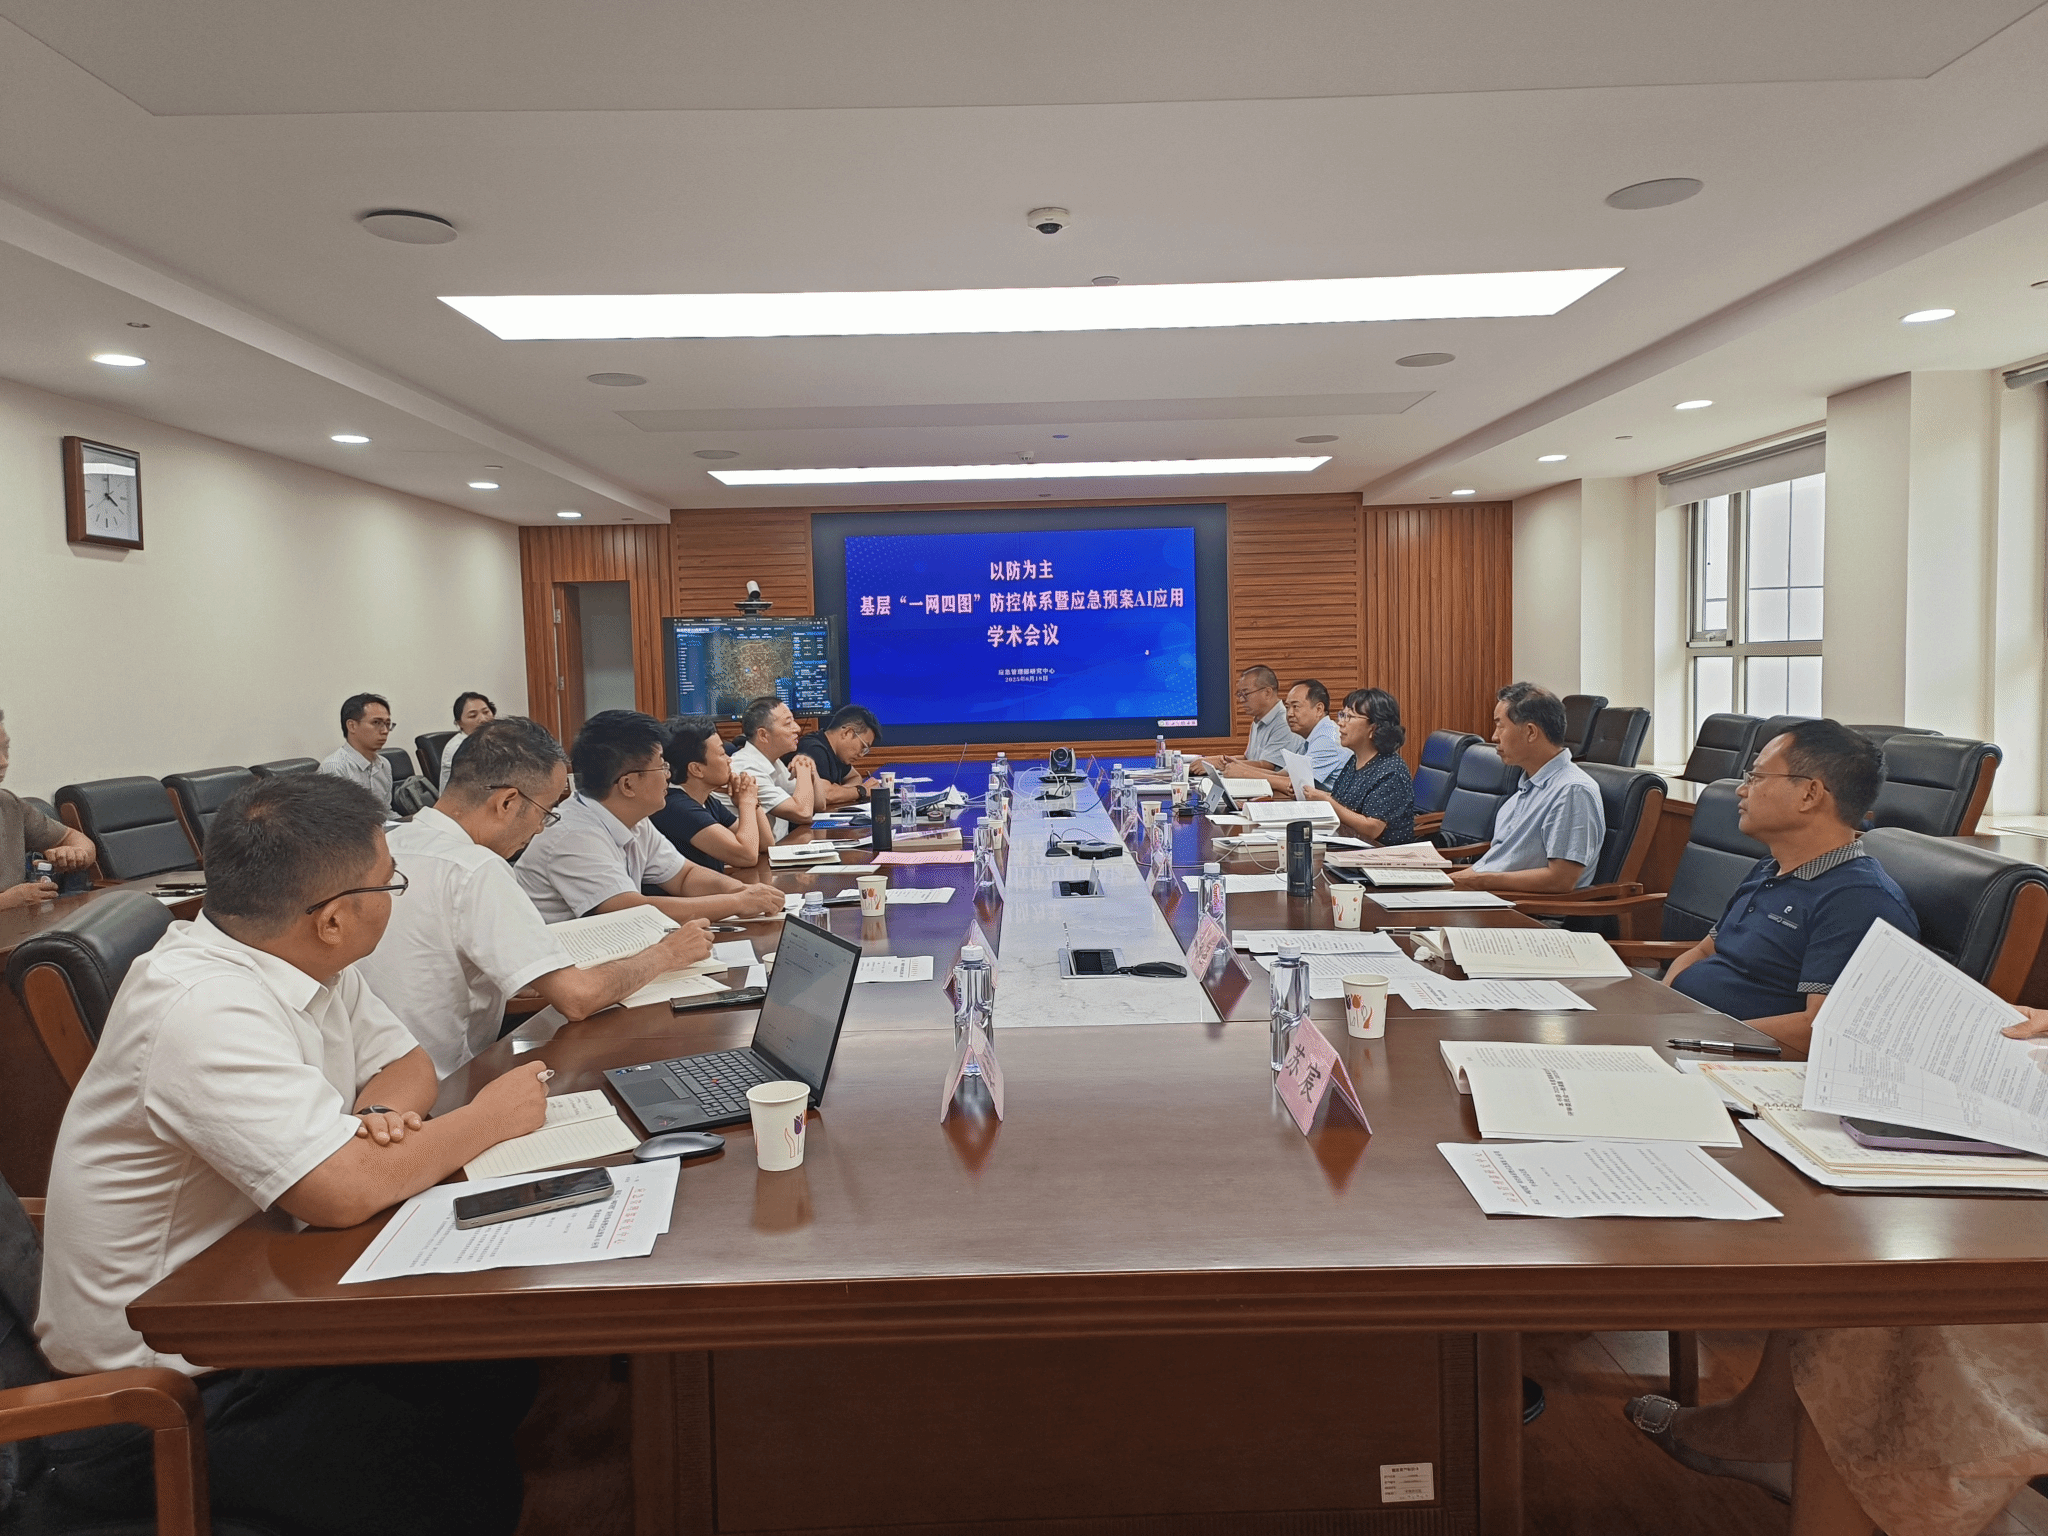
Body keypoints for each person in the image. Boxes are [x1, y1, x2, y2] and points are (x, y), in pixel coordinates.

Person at [34, 771, 547, 1535]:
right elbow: (340, 1191)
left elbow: (404, 1064)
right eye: (389, 882)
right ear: (334, 918)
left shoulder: (298, 955)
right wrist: (489, 1118)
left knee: (493, 1359)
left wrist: (376, 1122)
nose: (394, 893)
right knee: (449, 1468)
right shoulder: (201, 1007)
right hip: (155, 1394)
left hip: (255, 1298)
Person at [358, 717, 716, 1077]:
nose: (541, 828)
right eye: (545, 811)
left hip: (373, 1079)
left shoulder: (386, 844)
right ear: (507, 802)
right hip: (444, 1083)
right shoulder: (476, 868)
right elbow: (577, 998)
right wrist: (667, 953)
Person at [1662, 720, 1917, 1057]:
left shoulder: (1858, 899)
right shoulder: (1770, 868)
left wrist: (1694, 1038)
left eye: (1756, 777)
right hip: (1684, 1037)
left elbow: (1821, 1031)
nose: (1742, 790)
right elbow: (1704, 951)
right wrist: (1661, 1012)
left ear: (1809, 794)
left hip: (1729, 1060)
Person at [513, 709, 785, 925]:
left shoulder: (635, 819)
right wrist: (736, 903)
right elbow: (629, 910)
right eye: (661, 766)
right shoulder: (573, 835)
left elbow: (684, 876)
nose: (669, 775)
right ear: (628, 784)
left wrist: (742, 891)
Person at [1450, 681, 1604, 893]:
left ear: (1531, 732)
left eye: (1500, 726)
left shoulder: (1572, 790)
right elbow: (1496, 864)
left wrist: (1479, 882)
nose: (1494, 737)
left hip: (1518, 906)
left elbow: (1560, 880)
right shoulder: (1526, 787)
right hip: (1486, 895)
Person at [652, 717, 775, 874]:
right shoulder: (676, 807)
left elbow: (765, 844)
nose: (729, 760)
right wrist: (747, 802)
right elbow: (747, 855)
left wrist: (751, 801)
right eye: (722, 753)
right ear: (696, 769)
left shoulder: (707, 801)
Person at [0, 708, 96, 909]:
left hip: (21, 925)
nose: (4, 762)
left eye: (5, 748)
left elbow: (77, 840)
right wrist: (8, 902)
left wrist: (76, 854)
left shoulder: (9, 804)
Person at [1301, 688, 1416, 844]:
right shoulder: (1355, 759)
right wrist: (1316, 795)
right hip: (1348, 842)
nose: (1340, 723)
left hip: (1381, 852)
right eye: (1342, 715)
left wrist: (1327, 801)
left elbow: (1372, 828)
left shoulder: (1391, 771)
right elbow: (1341, 800)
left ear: (1373, 728)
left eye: (1349, 717)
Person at [1235, 679, 1347, 793]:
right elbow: (1281, 775)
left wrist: (1244, 773)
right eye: (1287, 707)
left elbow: (1296, 786)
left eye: (1295, 707)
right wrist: (1237, 767)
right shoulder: (1311, 736)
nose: (1289, 714)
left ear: (1319, 709)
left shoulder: (1327, 739)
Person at [728, 696, 819, 827]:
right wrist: (803, 769)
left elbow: (819, 804)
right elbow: (803, 813)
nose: (797, 728)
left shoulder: (773, 761)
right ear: (763, 735)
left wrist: (810, 768)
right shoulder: (747, 770)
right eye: (788, 723)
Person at [1209, 666, 1302, 776]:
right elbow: (1248, 758)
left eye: (1246, 694)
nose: (1241, 700)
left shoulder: (1285, 722)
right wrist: (1217, 760)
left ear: (1267, 692)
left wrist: (1219, 764)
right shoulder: (1258, 720)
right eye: (1240, 695)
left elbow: (1267, 765)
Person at [793, 704, 884, 809]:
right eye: (863, 747)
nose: (861, 754)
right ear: (847, 733)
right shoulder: (814, 749)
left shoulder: (838, 753)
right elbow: (825, 795)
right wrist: (861, 791)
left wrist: (839, 792)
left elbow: (855, 777)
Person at [319, 691, 395, 806]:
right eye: (376, 722)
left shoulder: (384, 765)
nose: (385, 731)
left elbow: (386, 812)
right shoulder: (335, 768)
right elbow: (335, 816)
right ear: (352, 726)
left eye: (387, 724)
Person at [439, 690, 497, 790]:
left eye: (486, 712)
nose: (483, 719)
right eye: (473, 716)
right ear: (459, 723)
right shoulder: (459, 748)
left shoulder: (496, 738)